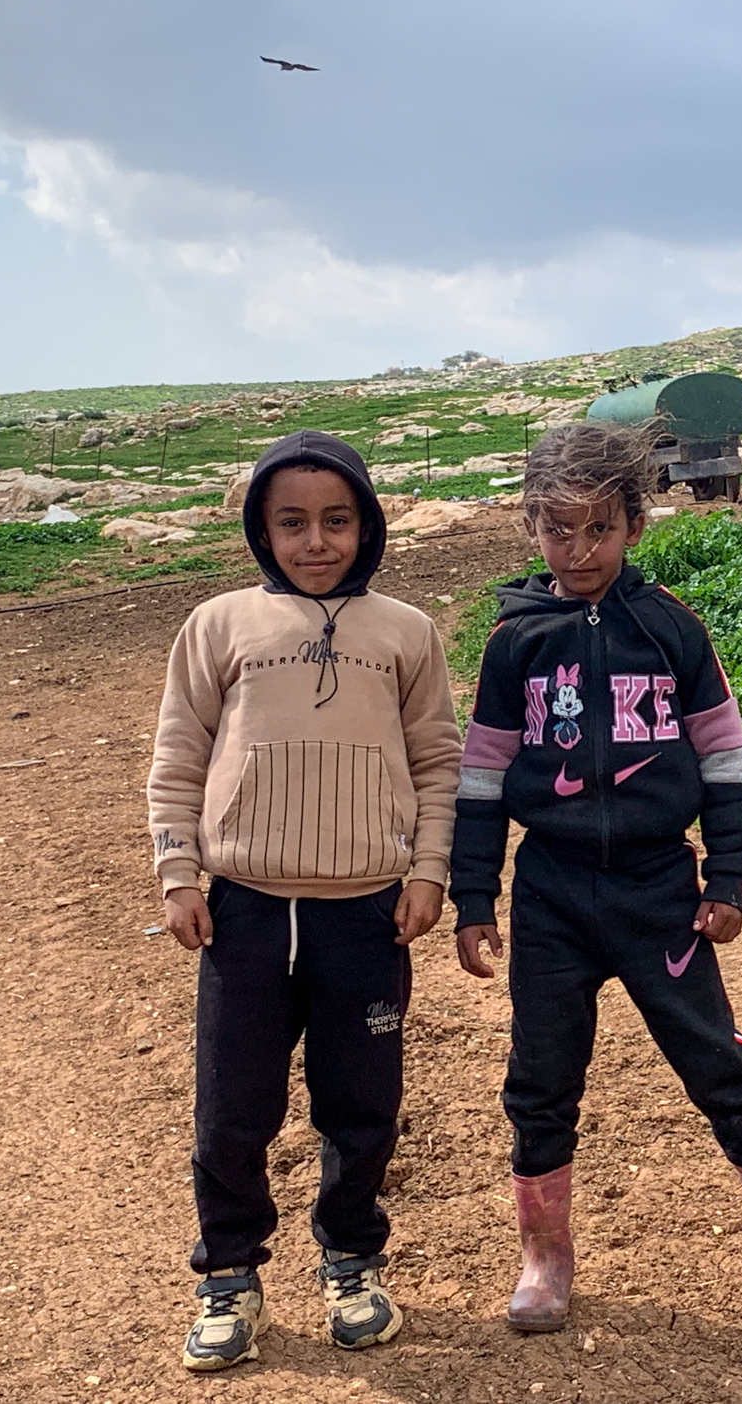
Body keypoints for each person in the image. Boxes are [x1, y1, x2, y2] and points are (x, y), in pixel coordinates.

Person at [450, 421, 742, 1332]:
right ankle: (544, 1257)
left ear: (634, 524)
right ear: (531, 529)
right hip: (549, 893)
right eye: (557, 529)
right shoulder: (515, 643)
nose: (578, 551)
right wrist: (477, 896)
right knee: (541, 1076)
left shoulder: (669, 628)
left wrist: (729, 878)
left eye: (599, 529)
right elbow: (480, 778)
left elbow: (724, 759)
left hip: (660, 890)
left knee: (717, 1062)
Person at [147, 430, 461, 1370]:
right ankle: (229, 1276)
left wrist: (429, 871)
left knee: (361, 1104)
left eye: (335, 520)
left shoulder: (406, 632)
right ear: (262, 528)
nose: (315, 541)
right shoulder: (217, 626)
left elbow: (439, 762)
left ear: (366, 525)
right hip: (242, 908)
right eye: (292, 522)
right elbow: (177, 758)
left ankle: (353, 1261)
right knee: (231, 1108)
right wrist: (177, 872)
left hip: (364, 914)